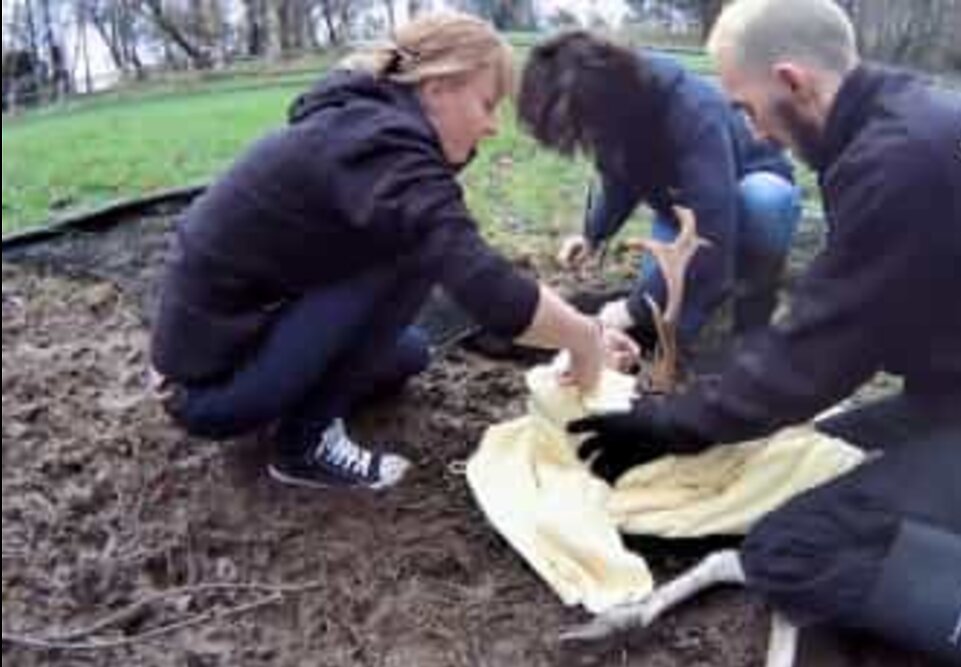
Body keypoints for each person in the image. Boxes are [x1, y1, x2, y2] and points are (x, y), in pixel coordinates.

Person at [569, 0, 961, 667]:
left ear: (793, 80)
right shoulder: (905, 120)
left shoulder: (901, 161)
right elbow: (856, 316)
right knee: (799, 456)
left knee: (791, 548)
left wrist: (667, 424)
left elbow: (816, 358)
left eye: (748, 106)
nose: (752, 128)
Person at [150, 12, 636, 492]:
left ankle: (292, 402)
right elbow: (481, 281)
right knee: (407, 255)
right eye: (488, 104)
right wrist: (583, 336)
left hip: (228, 346)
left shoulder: (366, 125)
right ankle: (303, 447)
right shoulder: (380, 146)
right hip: (210, 389)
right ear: (437, 88)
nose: (491, 127)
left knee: (412, 352)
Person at [517, 30, 800, 350]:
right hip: (683, 205)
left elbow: (711, 234)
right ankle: (712, 297)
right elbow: (618, 179)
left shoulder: (690, 110)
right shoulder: (611, 109)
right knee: (664, 322)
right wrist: (592, 234)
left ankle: (753, 313)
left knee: (762, 203)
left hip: (746, 184)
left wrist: (632, 308)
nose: (586, 138)